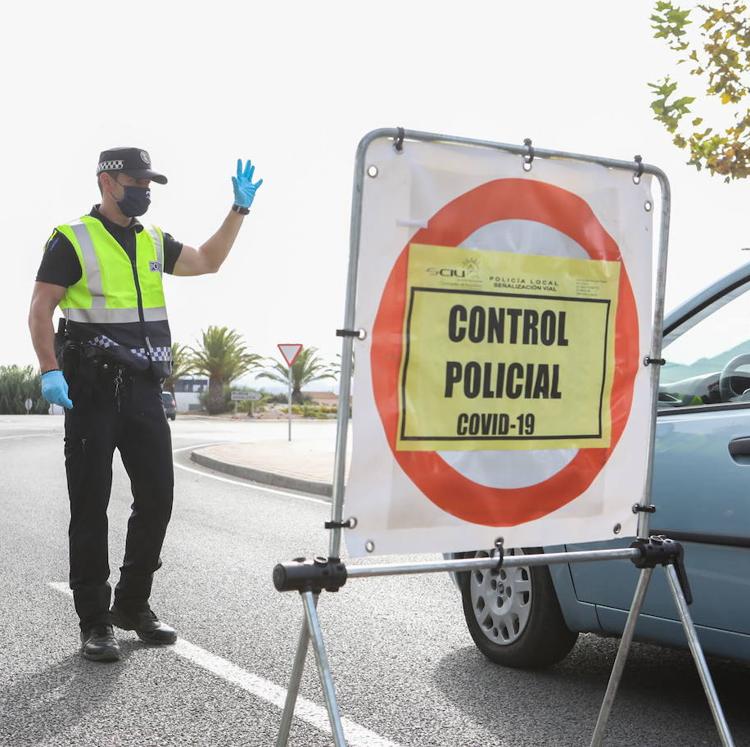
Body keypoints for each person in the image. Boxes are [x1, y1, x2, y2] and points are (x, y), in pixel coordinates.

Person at [28, 148, 262, 662]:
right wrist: (49, 371)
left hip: (143, 391)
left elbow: (208, 261)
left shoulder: (153, 239)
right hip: (89, 390)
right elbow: (42, 305)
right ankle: (94, 620)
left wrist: (237, 210)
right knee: (90, 506)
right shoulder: (72, 238)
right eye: (137, 180)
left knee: (157, 498)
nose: (145, 190)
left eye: (150, 182)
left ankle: (133, 605)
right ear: (108, 182)